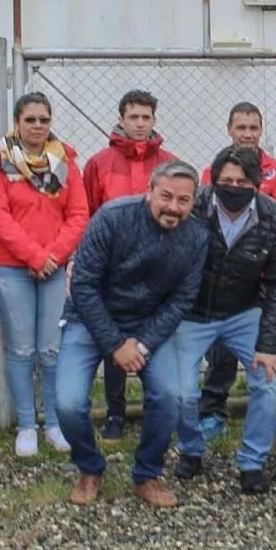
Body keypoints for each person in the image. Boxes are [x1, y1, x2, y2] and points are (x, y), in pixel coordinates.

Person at [55, 161, 210, 508]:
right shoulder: (112, 218)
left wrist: (140, 344)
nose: (173, 207)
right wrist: (114, 342)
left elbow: (183, 298)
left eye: (183, 200)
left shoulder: (197, 237)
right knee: (68, 403)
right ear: (149, 191)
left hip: (149, 326)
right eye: (166, 196)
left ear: (193, 201)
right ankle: (89, 467)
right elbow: (83, 284)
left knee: (171, 396)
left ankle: (148, 473)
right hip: (90, 319)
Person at [157, 146, 276, 495]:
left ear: (258, 184)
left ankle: (252, 462)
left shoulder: (275, 218)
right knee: (182, 393)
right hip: (192, 313)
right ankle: (191, 448)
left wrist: (269, 344)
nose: (234, 186)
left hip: (244, 312)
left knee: (268, 380)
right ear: (213, 180)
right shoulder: (194, 206)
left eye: (243, 181)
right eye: (226, 180)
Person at [0, 92, 90, 458]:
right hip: (12, 268)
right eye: (30, 119)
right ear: (17, 122)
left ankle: (55, 424)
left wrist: (53, 256)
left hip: (54, 269)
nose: (37, 126)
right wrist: (33, 255)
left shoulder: (66, 163)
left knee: (50, 349)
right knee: (22, 348)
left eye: (43, 119)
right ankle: (27, 425)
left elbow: (78, 215)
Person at [81, 90, 177, 446]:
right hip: (113, 268)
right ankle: (116, 413)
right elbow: (90, 212)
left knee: (157, 336)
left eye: (146, 117)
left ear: (154, 120)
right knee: (114, 341)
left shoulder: (169, 163)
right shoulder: (98, 163)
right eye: (133, 117)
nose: (139, 124)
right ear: (121, 118)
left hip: (159, 267)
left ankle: (157, 408)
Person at [197, 103, 276, 442]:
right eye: (241, 127)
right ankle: (212, 411)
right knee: (220, 354)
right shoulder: (215, 168)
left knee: (273, 343)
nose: (248, 133)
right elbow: (206, 209)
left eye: (254, 127)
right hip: (223, 280)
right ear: (229, 129)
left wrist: (254, 208)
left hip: (263, 270)